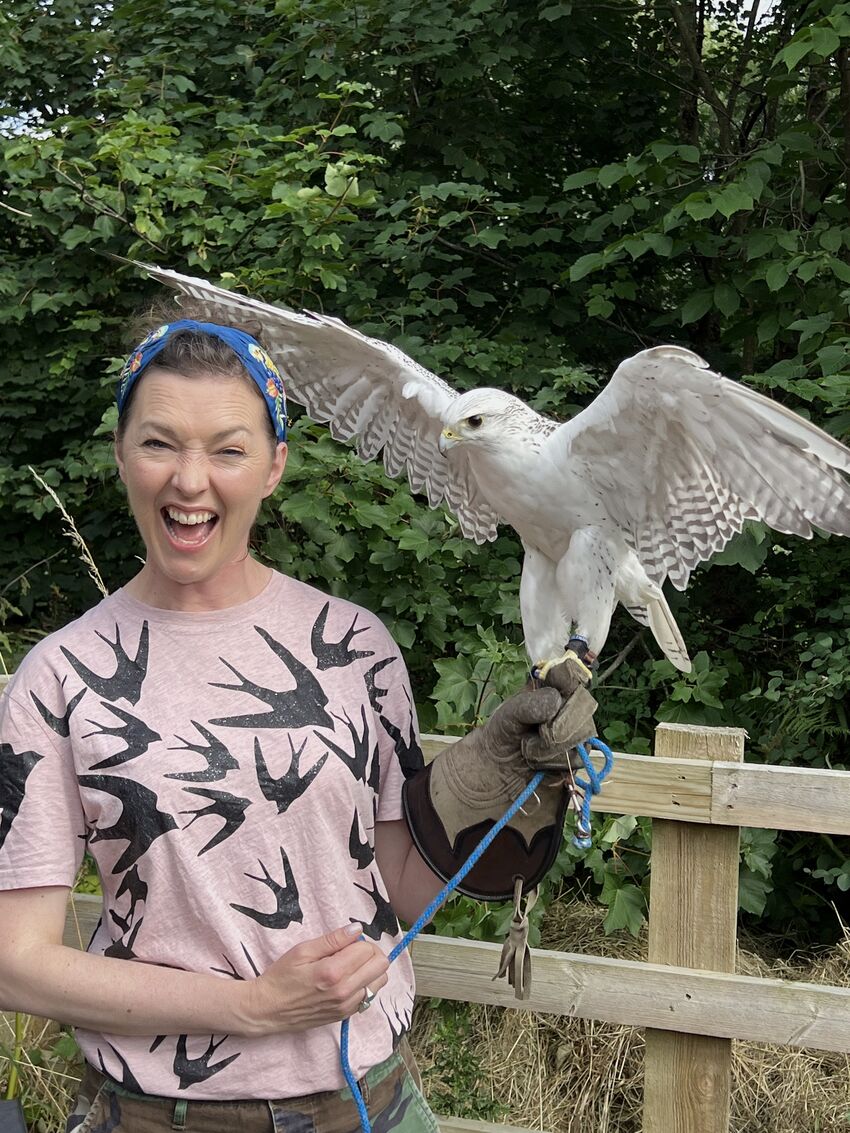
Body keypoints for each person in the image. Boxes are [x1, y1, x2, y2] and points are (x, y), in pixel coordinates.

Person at [0, 313, 582, 1133]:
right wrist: (253, 1006)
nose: (190, 481)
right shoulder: (57, 678)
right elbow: (15, 964)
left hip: (368, 1103)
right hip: (156, 1115)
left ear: (275, 465)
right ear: (122, 454)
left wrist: (495, 781)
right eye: (160, 443)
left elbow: (388, 892)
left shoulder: (357, 648)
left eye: (228, 449)